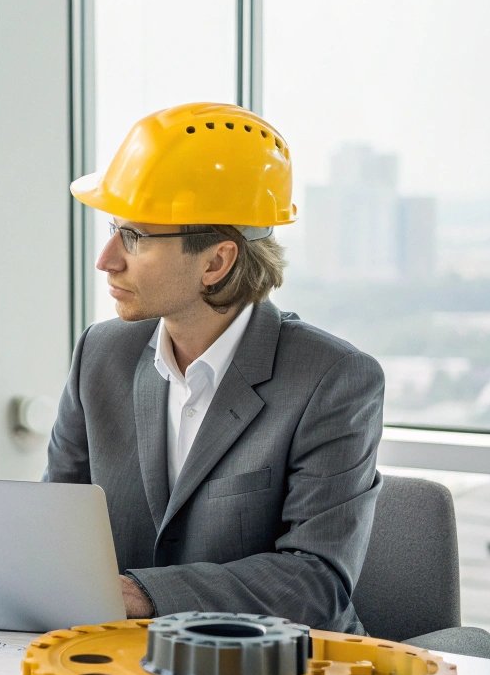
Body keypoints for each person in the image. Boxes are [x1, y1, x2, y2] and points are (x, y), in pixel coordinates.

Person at [45, 102, 383, 634]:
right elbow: (55, 529)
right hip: (119, 665)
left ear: (216, 261)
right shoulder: (100, 355)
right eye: (114, 229)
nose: (106, 259)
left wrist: (142, 593)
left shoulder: (333, 380)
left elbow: (315, 583)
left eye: (134, 237)